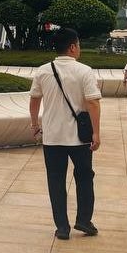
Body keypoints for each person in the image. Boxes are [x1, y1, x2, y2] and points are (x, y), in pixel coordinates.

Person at [29, 27, 101, 240]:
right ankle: (84, 220)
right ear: (72, 47)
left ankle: (62, 227)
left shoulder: (43, 71)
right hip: (80, 137)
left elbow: (34, 99)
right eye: (78, 45)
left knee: (56, 181)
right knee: (85, 177)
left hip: (52, 137)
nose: (79, 48)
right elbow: (93, 103)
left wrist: (34, 124)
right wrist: (96, 133)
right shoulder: (84, 71)